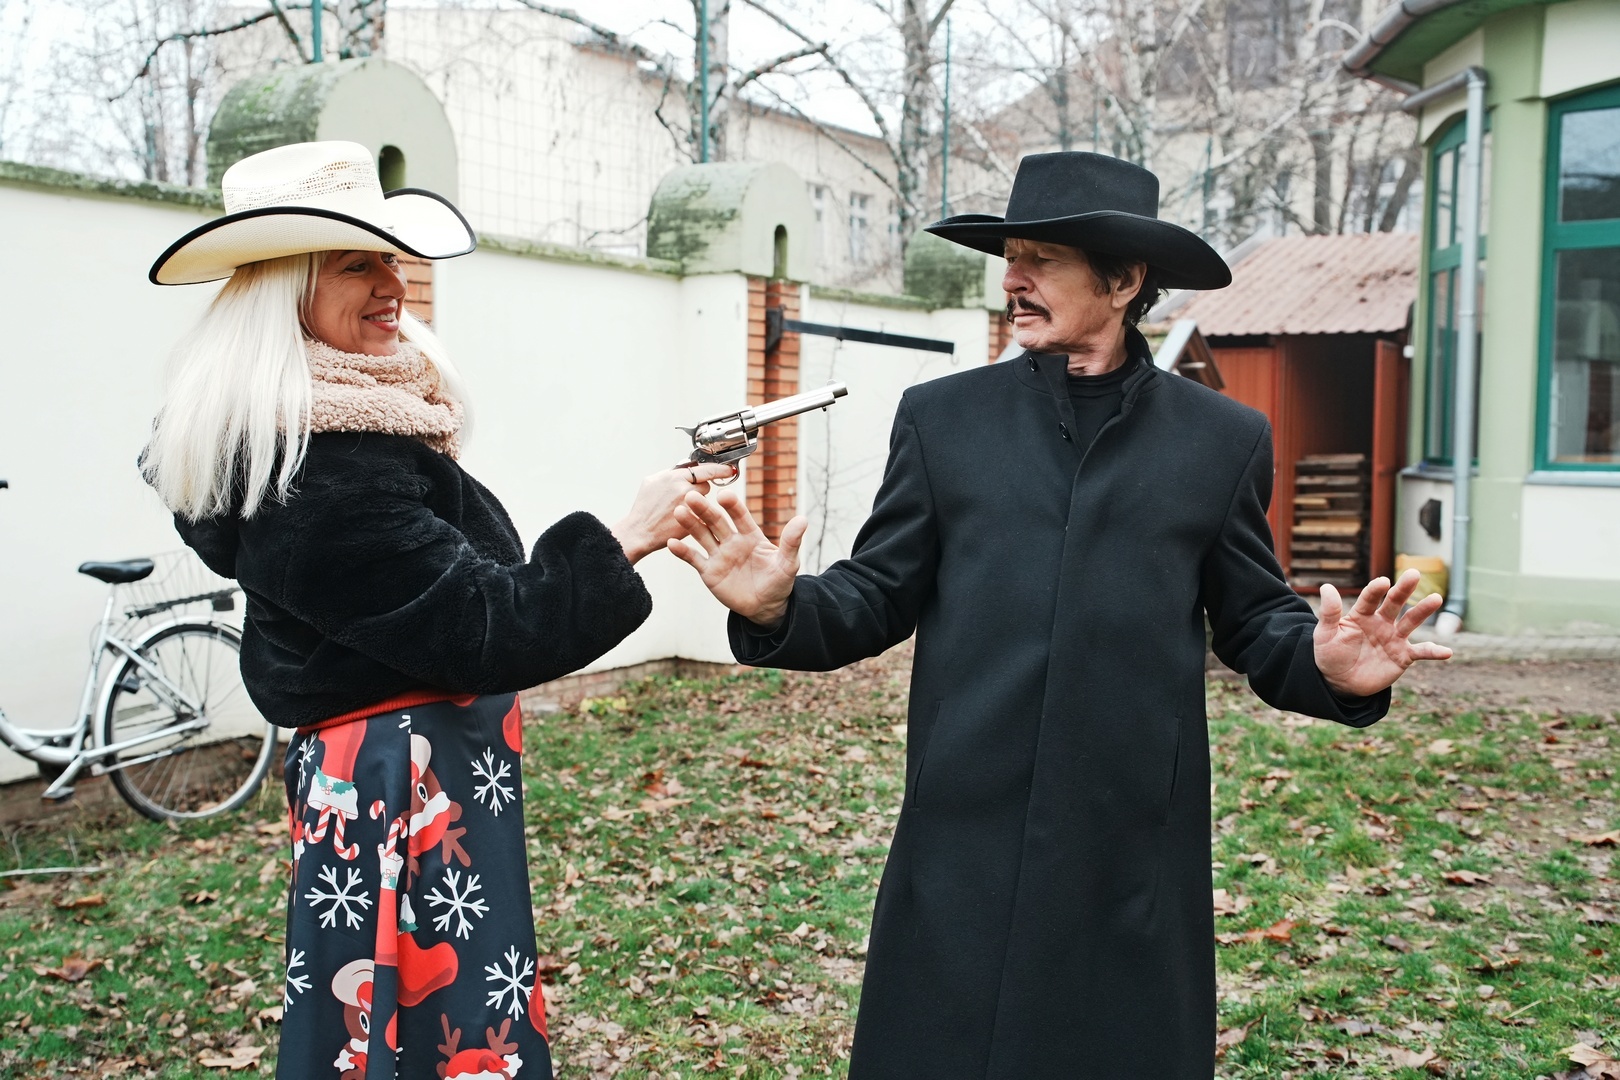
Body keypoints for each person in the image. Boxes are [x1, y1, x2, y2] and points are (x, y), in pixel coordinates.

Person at [668, 151, 1452, 1079]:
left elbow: (1253, 623)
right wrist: (781, 607)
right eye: (1011, 258)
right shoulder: (943, 419)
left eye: (1041, 259)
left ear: (1123, 282)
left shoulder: (1222, 439)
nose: (1014, 279)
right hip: (964, 821)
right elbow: (877, 593)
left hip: (1128, 835)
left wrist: (1327, 670)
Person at [142, 141, 731, 1079]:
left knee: (425, 1023)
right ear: (284, 293)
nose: (393, 285)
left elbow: (458, 600)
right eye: (356, 264)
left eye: (390, 258)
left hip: (418, 776)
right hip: (398, 785)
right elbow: (481, 627)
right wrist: (625, 537)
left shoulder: (345, 431)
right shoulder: (319, 470)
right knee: (423, 1034)